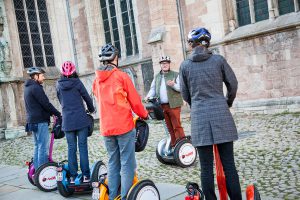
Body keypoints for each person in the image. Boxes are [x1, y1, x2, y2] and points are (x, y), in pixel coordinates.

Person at [179, 27, 242, 200]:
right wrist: (226, 102)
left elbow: (185, 94)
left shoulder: (185, 65)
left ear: (193, 45)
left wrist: (196, 105)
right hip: (221, 114)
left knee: (206, 168)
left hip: (199, 118)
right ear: (207, 43)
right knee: (229, 165)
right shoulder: (218, 60)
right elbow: (233, 84)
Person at [92, 44, 148, 200]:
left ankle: (113, 196)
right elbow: (135, 101)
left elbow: (98, 97)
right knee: (127, 163)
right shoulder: (122, 76)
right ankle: (125, 197)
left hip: (106, 128)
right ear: (115, 58)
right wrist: (144, 114)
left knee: (113, 163)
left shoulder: (97, 80)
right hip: (123, 126)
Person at [56, 61, 95, 183]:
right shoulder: (77, 83)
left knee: (71, 148)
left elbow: (60, 100)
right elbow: (87, 98)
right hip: (80, 120)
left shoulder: (58, 85)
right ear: (74, 72)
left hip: (67, 121)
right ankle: (86, 176)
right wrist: (91, 109)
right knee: (82, 147)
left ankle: (72, 176)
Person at [24, 66, 61, 169]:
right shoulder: (36, 88)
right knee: (43, 147)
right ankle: (42, 171)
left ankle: (37, 170)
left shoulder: (27, 87)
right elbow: (46, 104)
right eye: (42, 75)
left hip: (32, 121)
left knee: (37, 146)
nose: (44, 78)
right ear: (36, 76)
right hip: (39, 121)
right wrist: (57, 113)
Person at [145, 56, 185, 147]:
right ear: (160, 65)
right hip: (162, 106)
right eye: (163, 63)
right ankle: (174, 145)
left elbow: (181, 88)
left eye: (166, 63)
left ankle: (182, 144)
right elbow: (153, 89)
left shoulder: (175, 74)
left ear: (169, 64)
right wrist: (148, 96)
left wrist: (173, 85)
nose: (165, 65)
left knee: (176, 125)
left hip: (174, 105)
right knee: (169, 127)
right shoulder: (157, 77)